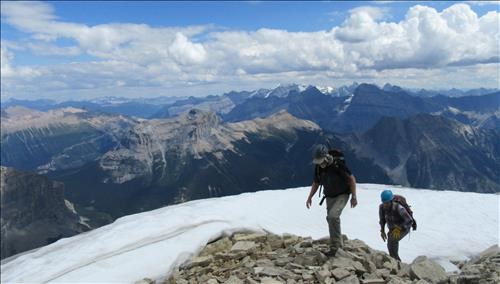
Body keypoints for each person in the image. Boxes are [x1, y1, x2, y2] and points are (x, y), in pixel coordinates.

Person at [306, 144, 357, 257]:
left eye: (321, 161)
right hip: (329, 196)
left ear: (326, 156)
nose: (320, 164)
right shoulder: (319, 167)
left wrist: (354, 196)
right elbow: (316, 182)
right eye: (318, 162)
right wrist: (310, 197)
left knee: (333, 217)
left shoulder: (337, 165)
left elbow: (351, 179)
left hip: (342, 194)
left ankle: (335, 247)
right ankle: (338, 244)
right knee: (331, 219)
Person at [379, 189, 413, 261]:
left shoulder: (399, 208)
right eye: (384, 202)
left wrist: (399, 228)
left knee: (393, 239)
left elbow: (409, 220)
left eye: (387, 203)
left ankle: (396, 261)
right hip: (393, 228)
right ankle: (394, 259)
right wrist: (382, 230)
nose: (385, 205)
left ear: (391, 201)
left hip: (404, 227)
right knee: (390, 242)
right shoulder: (381, 207)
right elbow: (382, 220)